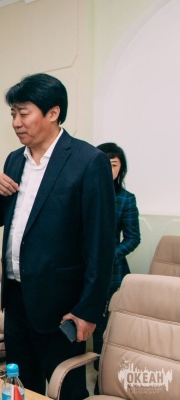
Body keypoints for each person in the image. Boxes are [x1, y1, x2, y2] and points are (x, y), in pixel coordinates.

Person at [0, 73, 115, 399]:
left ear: (53, 112)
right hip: (16, 300)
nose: (16, 122)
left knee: (65, 389)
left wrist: (88, 310)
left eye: (23, 113)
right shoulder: (15, 160)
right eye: (13, 113)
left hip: (62, 307)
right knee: (21, 386)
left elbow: (101, 245)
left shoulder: (88, 161)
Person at [93, 142, 140, 392]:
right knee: (89, 324)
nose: (107, 169)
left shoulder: (125, 199)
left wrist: (110, 256)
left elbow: (133, 238)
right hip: (83, 270)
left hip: (113, 273)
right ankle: (96, 371)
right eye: (102, 163)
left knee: (111, 329)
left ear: (121, 169)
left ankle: (108, 381)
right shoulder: (84, 193)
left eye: (113, 165)